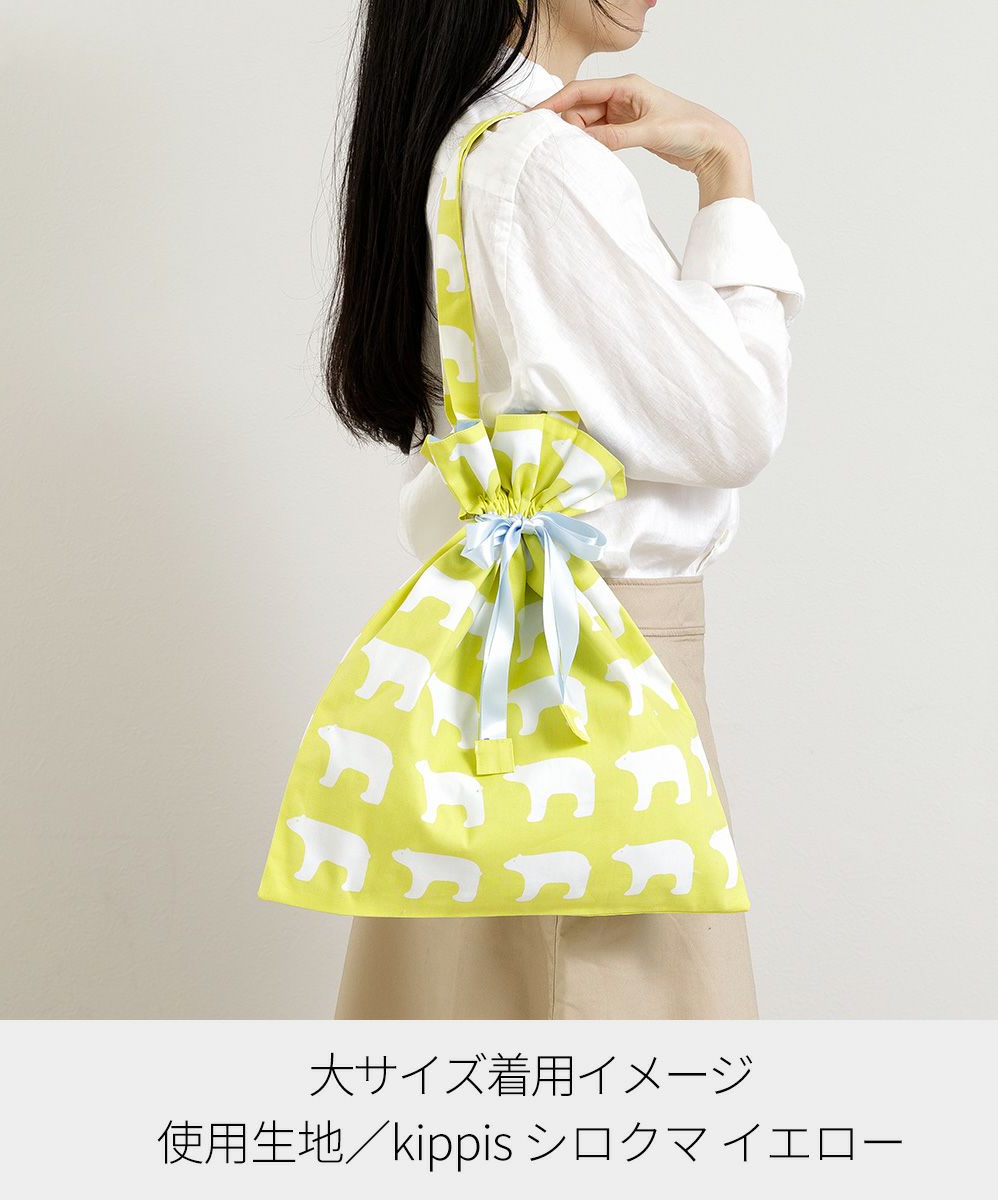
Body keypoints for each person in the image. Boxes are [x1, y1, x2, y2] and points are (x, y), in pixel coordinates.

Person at [325, 0, 804, 1019]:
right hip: (599, 667)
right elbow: (735, 420)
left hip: (492, 659)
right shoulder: (542, 166)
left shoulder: (459, 147)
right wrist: (727, 173)